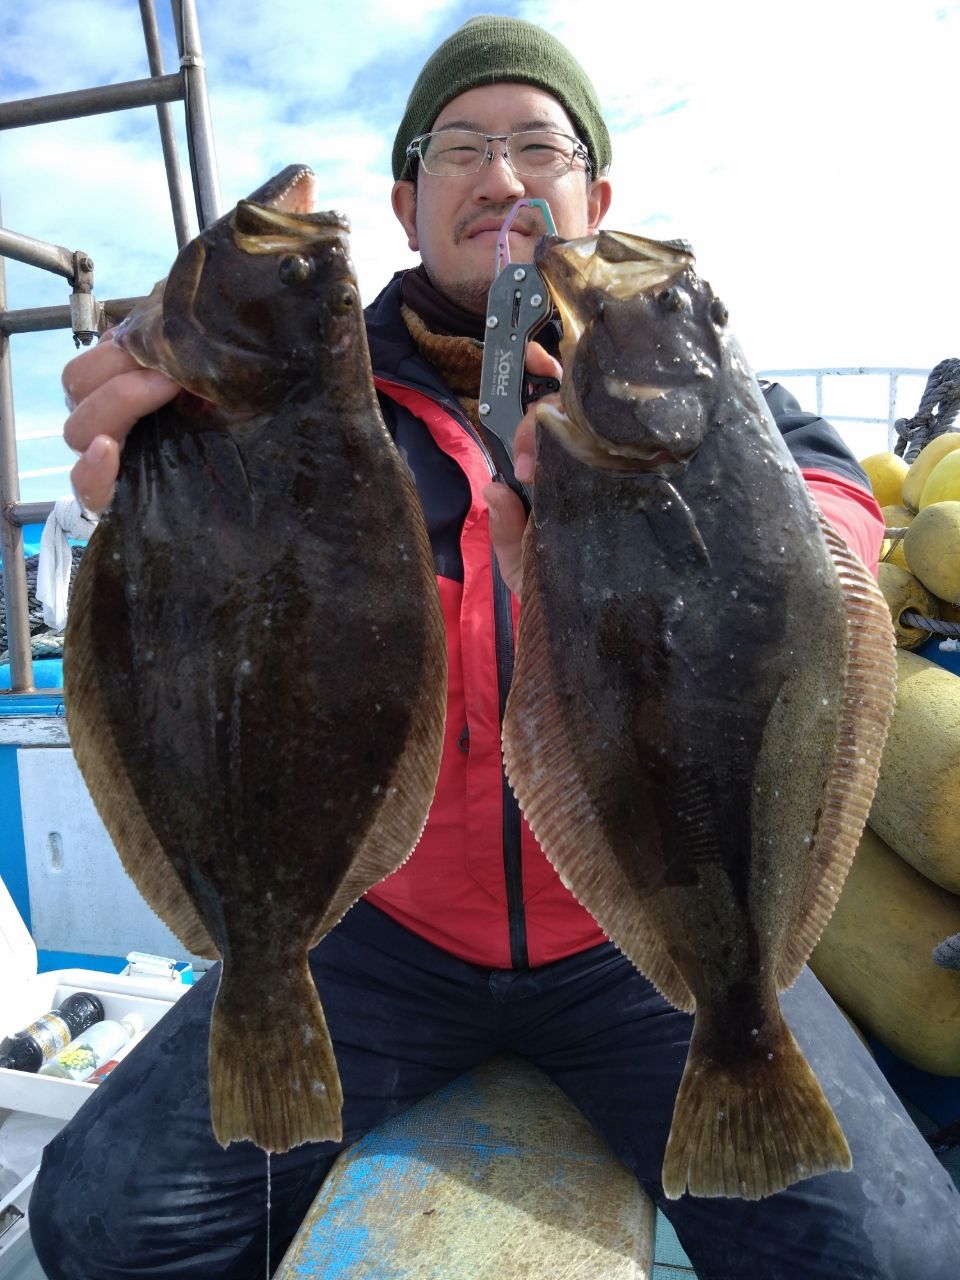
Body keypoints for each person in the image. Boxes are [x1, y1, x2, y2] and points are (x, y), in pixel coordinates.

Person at [32, 15, 960, 1280]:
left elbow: (824, 509)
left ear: (596, 195)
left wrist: (730, 551)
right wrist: (132, 470)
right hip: (379, 940)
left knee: (900, 1258)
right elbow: (169, 598)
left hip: (640, 946)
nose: (505, 176)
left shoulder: (709, 394)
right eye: (460, 146)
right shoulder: (312, 390)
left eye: (540, 144)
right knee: (98, 1222)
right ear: (407, 205)